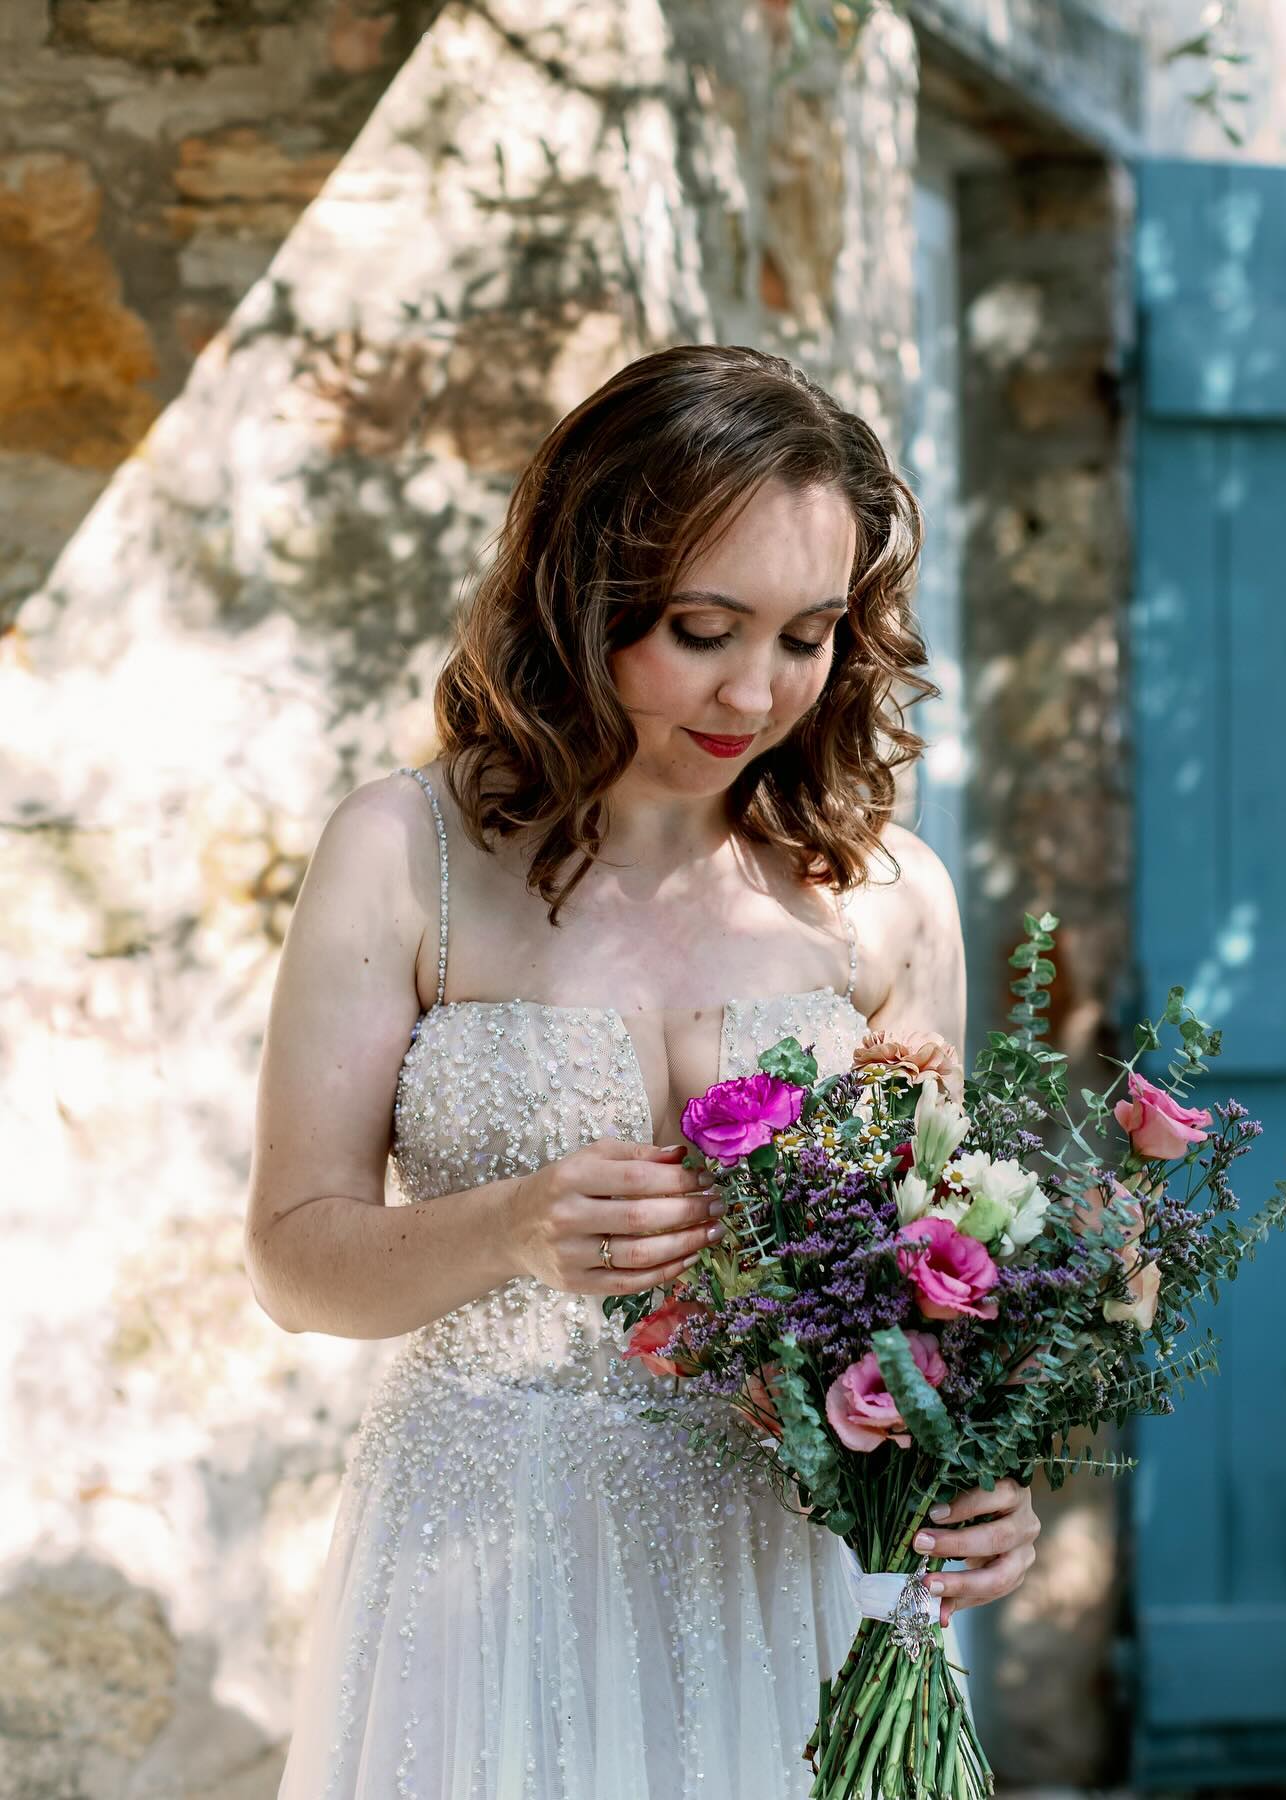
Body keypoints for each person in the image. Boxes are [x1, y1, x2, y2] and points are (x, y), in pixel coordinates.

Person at [245, 343, 1040, 1799]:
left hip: (791, 1584)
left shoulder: (885, 898)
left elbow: (938, 1302)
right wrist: (504, 1227)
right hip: (486, 1576)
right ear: (581, 592)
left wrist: (977, 1480)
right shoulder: (404, 856)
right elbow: (295, 1263)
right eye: (701, 626)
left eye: (807, 637)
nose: (756, 691)